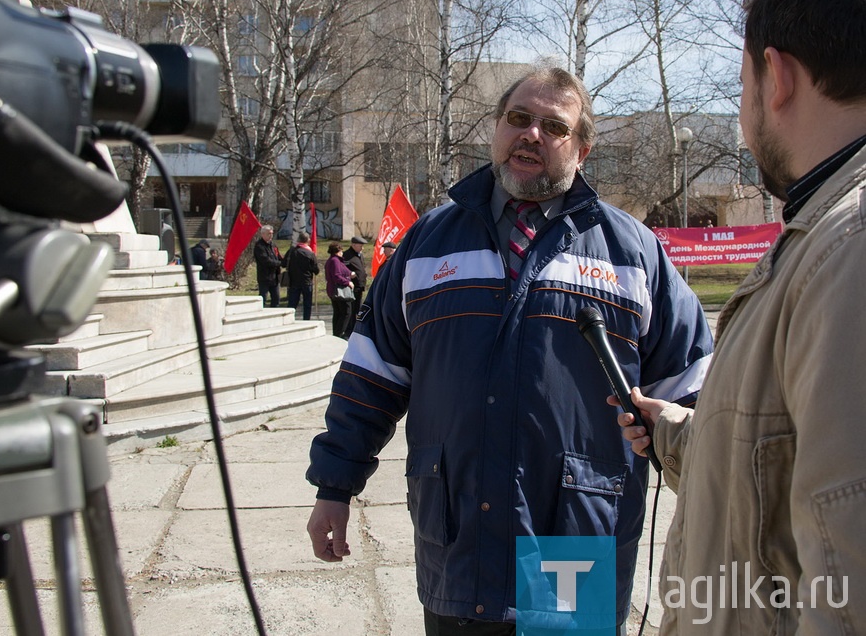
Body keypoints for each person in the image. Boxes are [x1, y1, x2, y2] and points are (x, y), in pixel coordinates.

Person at [306, 66, 714, 633]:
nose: (532, 134)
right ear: (496, 129)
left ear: (582, 150)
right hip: (458, 533)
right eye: (518, 119)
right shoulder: (428, 243)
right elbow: (372, 375)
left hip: (576, 537)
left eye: (554, 126)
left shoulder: (632, 253)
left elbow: (699, 390)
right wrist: (335, 485)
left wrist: (698, 465)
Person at [616, 0, 866, 634]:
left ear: (776, 75)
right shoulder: (819, 239)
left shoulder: (849, 248)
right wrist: (676, 433)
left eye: (741, 84)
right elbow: (786, 461)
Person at [284, 231, 319, 321]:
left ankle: (288, 320)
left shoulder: (291, 251)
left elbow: (283, 263)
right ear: (307, 240)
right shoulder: (310, 253)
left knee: (292, 303)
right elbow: (316, 270)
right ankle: (306, 320)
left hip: (293, 281)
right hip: (306, 281)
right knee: (307, 304)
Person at [324, 241, 354, 338]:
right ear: (338, 251)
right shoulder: (335, 261)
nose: (342, 253)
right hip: (339, 289)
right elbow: (337, 275)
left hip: (333, 289)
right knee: (346, 311)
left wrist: (350, 273)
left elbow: (343, 271)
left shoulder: (335, 260)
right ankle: (340, 332)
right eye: (341, 251)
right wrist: (347, 282)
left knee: (338, 312)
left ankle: (337, 332)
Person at [341, 236, 367, 338]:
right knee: (351, 310)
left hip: (359, 287)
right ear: (353, 245)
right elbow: (344, 269)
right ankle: (349, 330)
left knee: (357, 309)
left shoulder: (359, 255)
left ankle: (354, 329)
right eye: (360, 246)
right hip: (352, 287)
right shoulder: (347, 255)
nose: (362, 248)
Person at [253, 224, 282, 307]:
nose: (271, 235)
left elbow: (278, 256)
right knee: (263, 299)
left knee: (276, 298)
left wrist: (286, 261)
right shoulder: (259, 246)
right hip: (264, 277)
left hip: (275, 278)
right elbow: (266, 261)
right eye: (269, 233)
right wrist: (279, 263)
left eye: (272, 233)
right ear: (263, 234)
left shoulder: (273, 245)